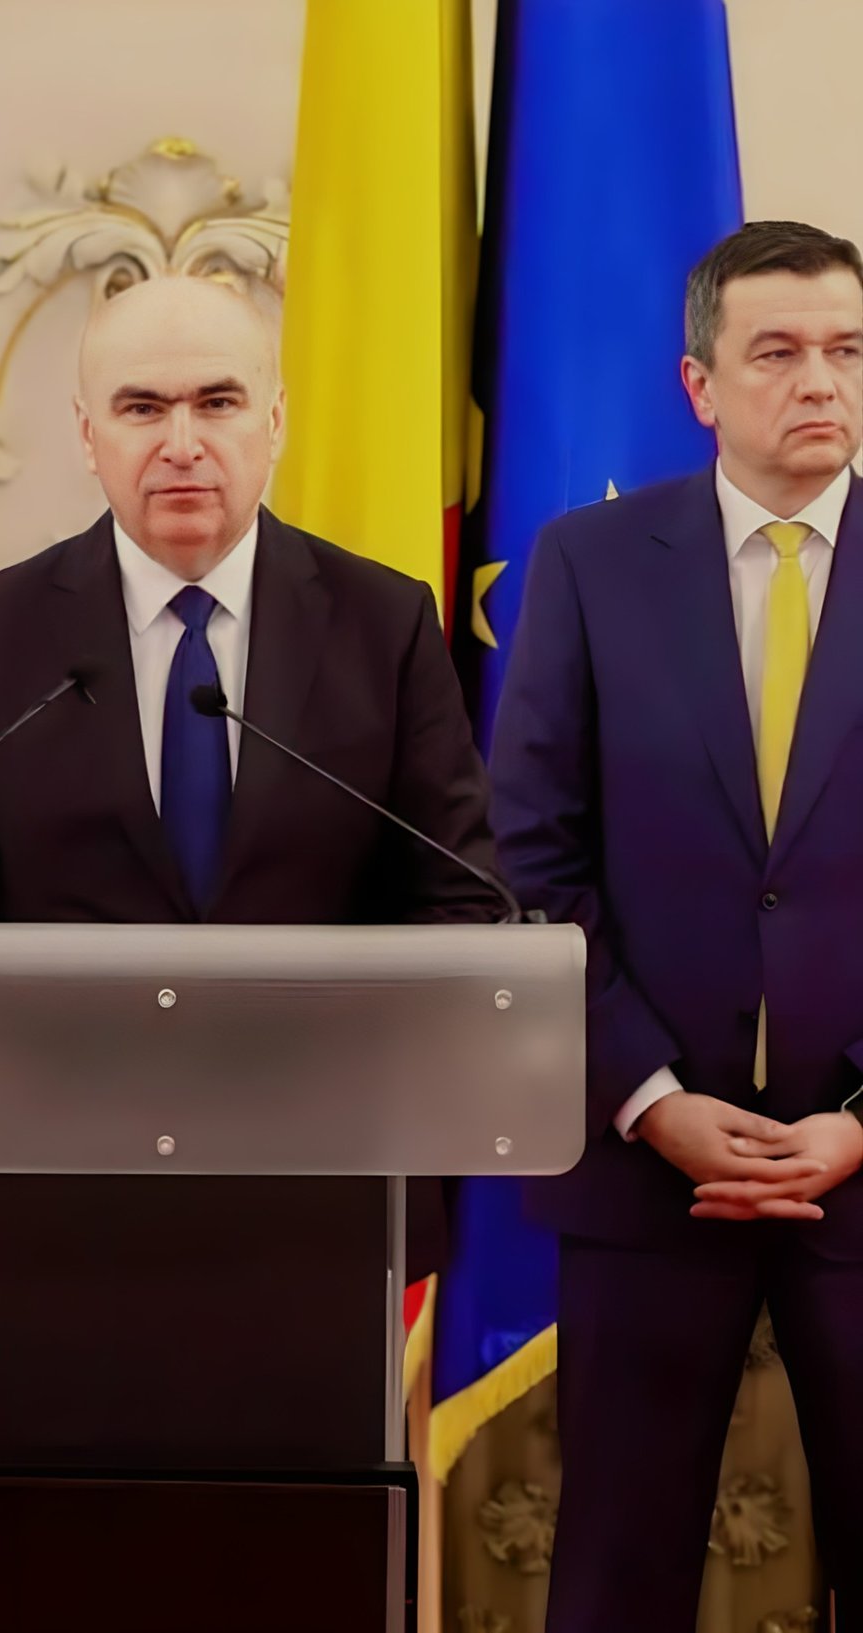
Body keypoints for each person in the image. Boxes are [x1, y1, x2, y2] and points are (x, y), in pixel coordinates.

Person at [491, 220, 863, 1630]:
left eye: (847, 350)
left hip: (861, 1166)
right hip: (648, 1172)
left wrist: (858, 1119)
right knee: (619, 1576)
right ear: (699, 384)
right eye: (778, 352)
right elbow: (530, 858)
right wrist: (651, 1100)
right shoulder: (590, 562)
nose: (820, 380)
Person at [0, 273, 498, 929]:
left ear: (274, 422)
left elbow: (464, 900)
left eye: (217, 403)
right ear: (88, 434)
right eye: (143, 409)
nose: (182, 447)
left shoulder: (386, 625)